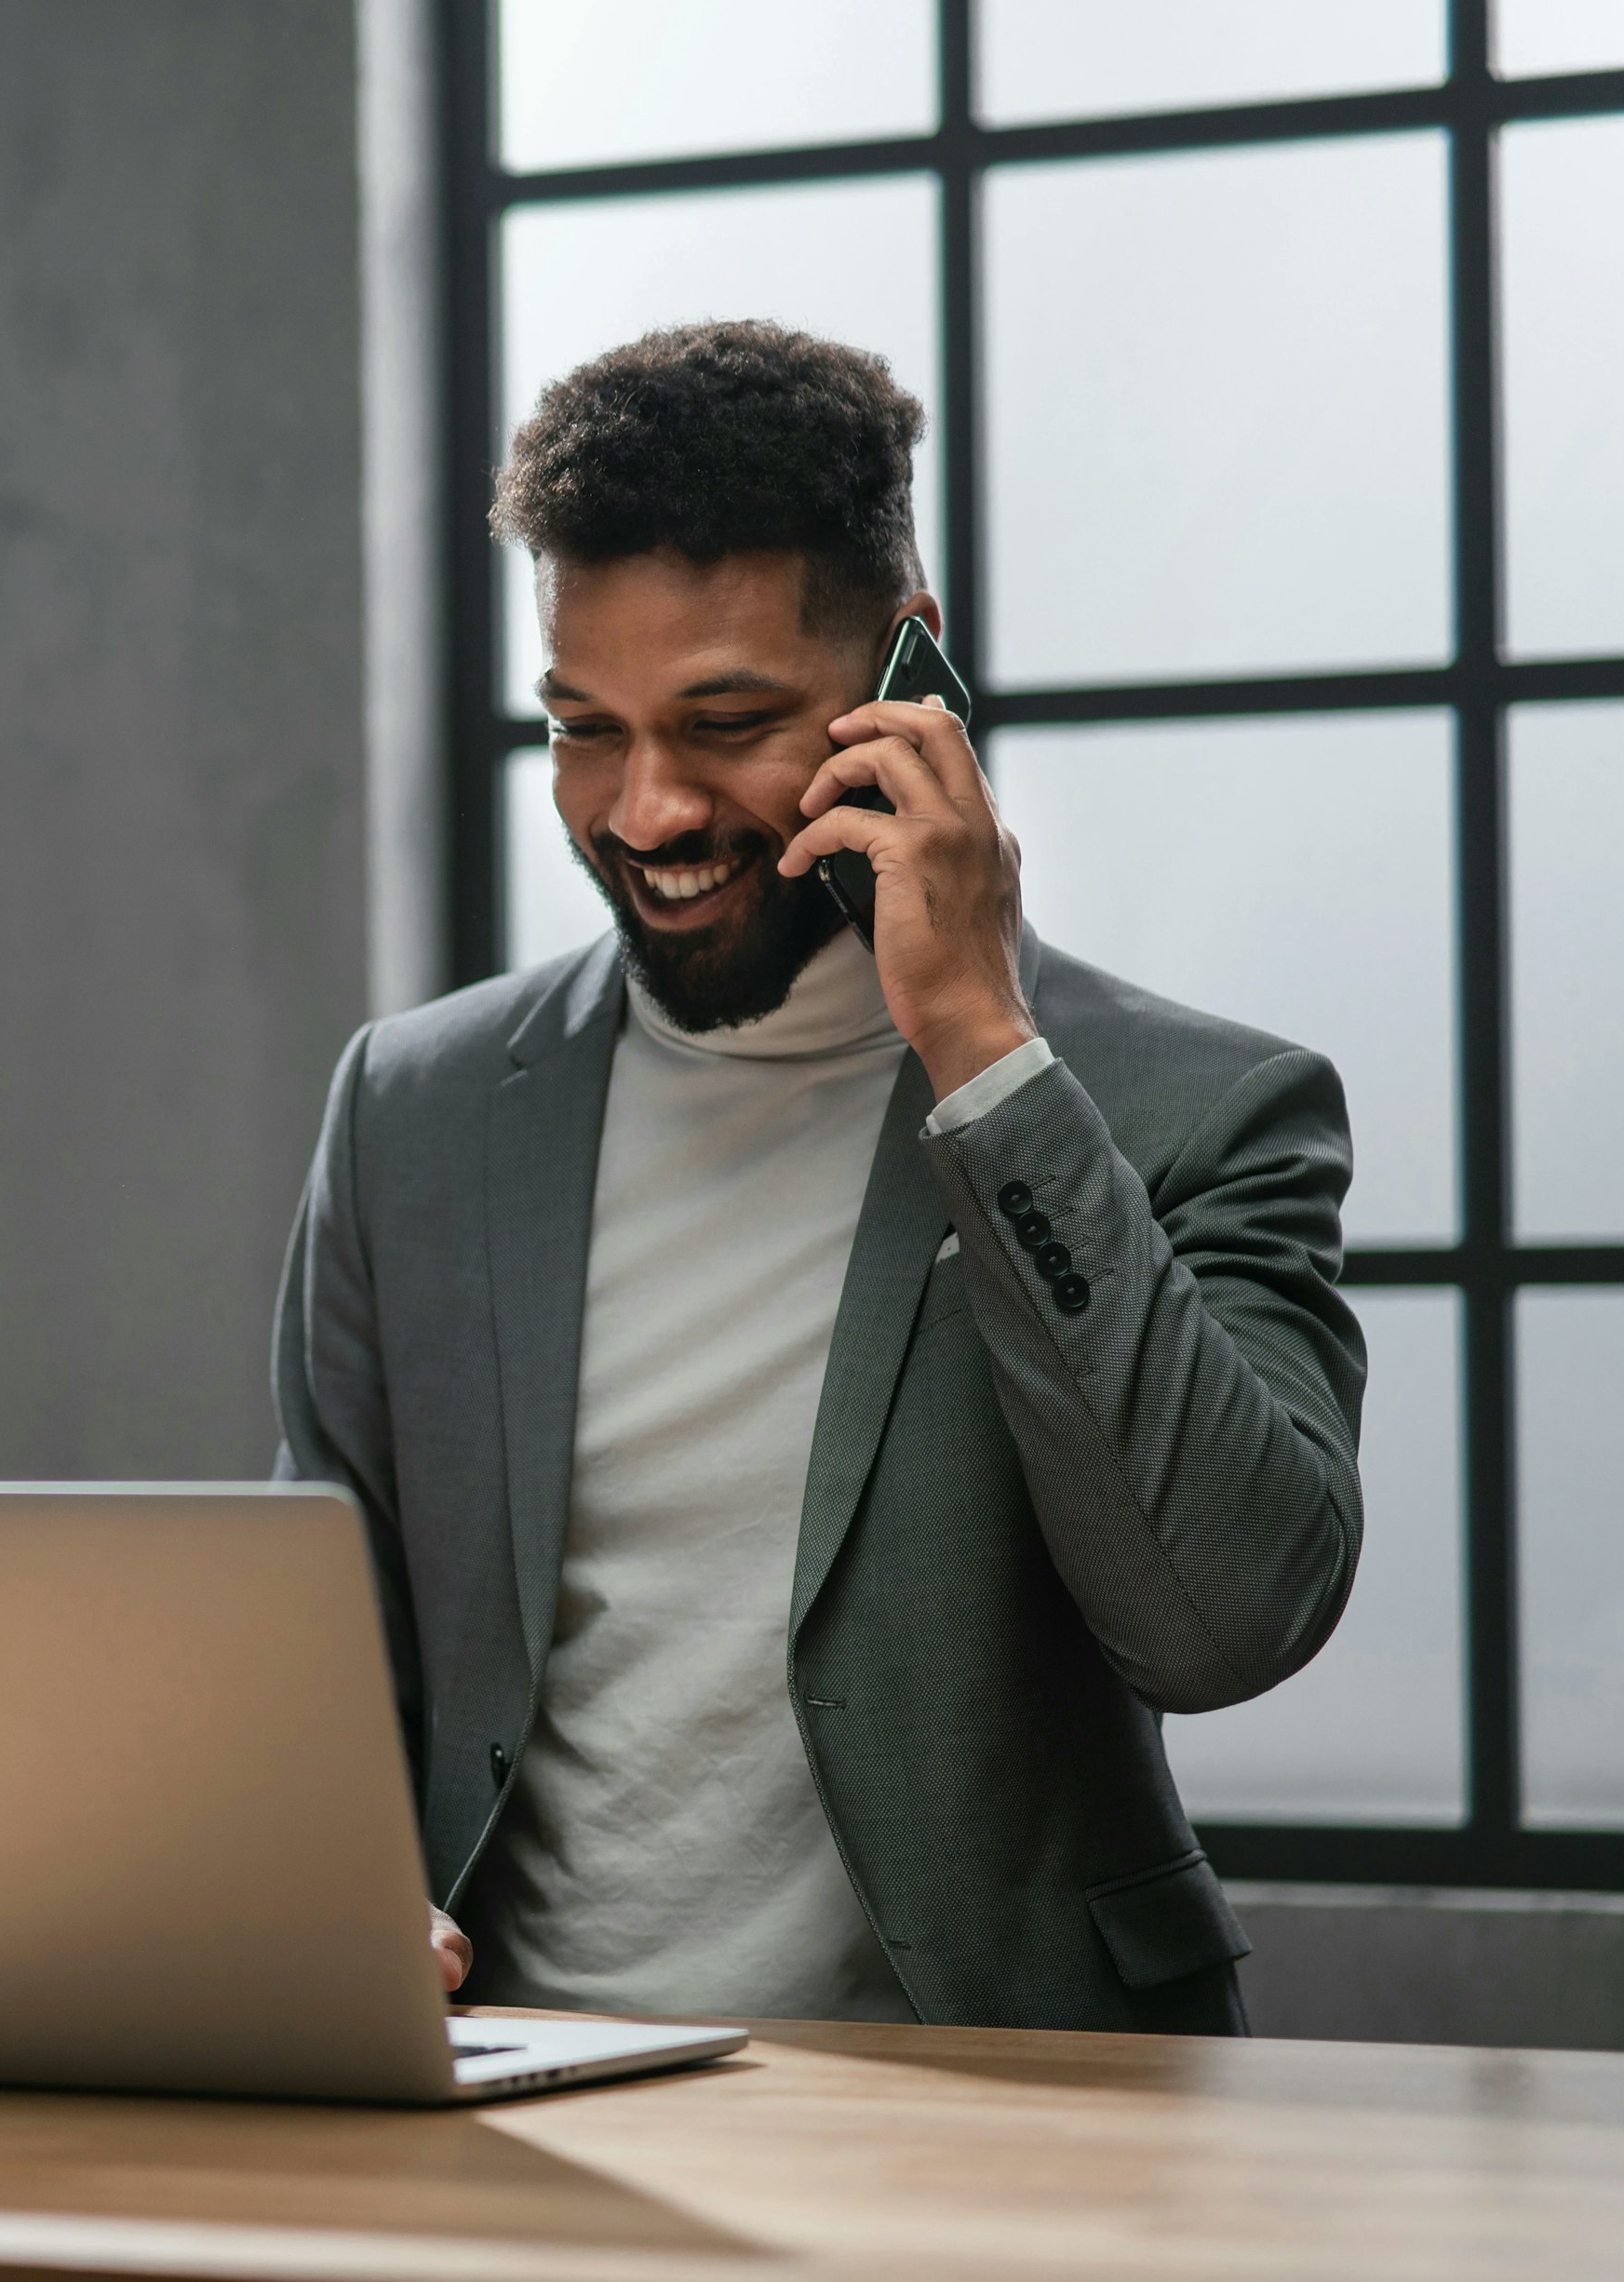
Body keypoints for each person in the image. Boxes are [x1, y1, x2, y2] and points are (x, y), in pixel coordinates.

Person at [273, 319, 1364, 2034]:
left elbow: (1224, 1622)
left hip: (1007, 2118)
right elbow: (312, 1636)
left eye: (726, 723)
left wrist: (984, 1056)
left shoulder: (1197, 1109)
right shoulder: (414, 1110)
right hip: (516, 2109)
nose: (643, 810)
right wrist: (315, 1880)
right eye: (581, 727)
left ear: (909, 670)